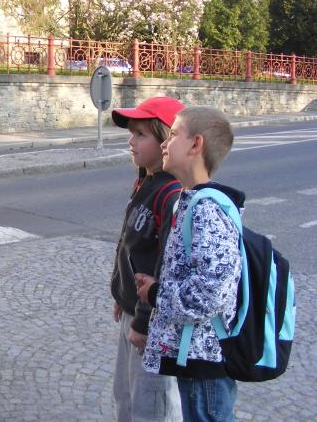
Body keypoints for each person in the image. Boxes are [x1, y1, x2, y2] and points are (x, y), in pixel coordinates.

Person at [136, 106, 243, 422]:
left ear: (196, 145)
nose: (165, 143)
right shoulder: (191, 200)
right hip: (194, 354)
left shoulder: (206, 211)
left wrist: (156, 294)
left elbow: (211, 293)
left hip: (205, 361)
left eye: (172, 135)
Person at [110, 97, 184, 422]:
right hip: (133, 310)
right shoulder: (146, 181)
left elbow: (166, 265)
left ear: (165, 137)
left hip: (152, 323)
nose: (131, 140)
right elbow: (130, 245)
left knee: (152, 406)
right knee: (125, 397)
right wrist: (120, 293)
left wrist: (142, 320)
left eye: (141, 134)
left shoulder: (172, 194)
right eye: (132, 133)